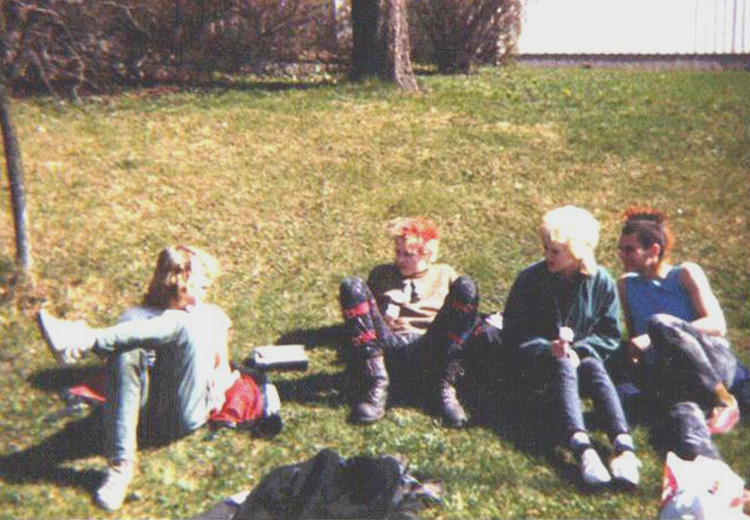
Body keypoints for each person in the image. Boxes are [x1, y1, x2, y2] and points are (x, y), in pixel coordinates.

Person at [36, 245, 237, 511]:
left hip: (187, 408)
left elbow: (223, 368)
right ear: (180, 279)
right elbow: (119, 376)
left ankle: (84, 339)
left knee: (184, 326)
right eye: (200, 276)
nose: (206, 283)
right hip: (143, 414)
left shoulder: (210, 316)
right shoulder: (135, 318)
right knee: (125, 350)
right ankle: (121, 467)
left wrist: (219, 386)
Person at [501, 206, 641, 488]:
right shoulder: (529, 279)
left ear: (578, 252)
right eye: (546, 249)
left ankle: (624, 446)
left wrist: (581, 350)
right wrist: (546, 348)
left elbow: (609, 334)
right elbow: (513, 333)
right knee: (563, 361)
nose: (547, 256)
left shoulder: (601, 282)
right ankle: (583, 448)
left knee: (593, 365)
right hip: (535, 368)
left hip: (579, 363)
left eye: (556, 251)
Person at [615, 207, 747, 460]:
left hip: (712, 361)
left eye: (629, 249)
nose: (622, 255)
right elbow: (636, 339)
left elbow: (717, 324)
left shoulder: (685, 273)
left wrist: (656, 335)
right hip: (674, 374)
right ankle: (711, 470)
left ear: (654, 250)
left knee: (660, 324)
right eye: (620, 249)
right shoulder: (626, 285)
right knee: (685, 421)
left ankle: (722, 398)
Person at [338, 217, 483, 428]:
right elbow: (365, 316)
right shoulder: (382, 273)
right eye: (397, 252)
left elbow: (460, 313)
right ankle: (376, 381)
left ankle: (444, 385)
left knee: (466, 287)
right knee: (352, 286)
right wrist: (384, 313)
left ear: (428, 254)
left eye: (408, 255)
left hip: (431, 344)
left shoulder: (444, 273)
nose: (400, 259)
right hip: (389, 345)